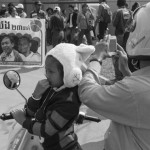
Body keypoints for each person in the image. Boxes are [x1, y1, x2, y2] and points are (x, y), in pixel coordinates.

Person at [79, 2, 150, 149]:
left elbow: (87, 93)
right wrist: (126, 71)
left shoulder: (133, 90)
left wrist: (96, 58)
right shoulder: (137, 88)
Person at [11, 43, 95, 150]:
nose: (47, 74)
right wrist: (36, 96)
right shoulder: (51, 87)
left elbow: (47, 130)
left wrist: (24, 122)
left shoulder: (69, 101)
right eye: (46, 70)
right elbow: (30, 113)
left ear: (67, 73)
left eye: (51, 71)